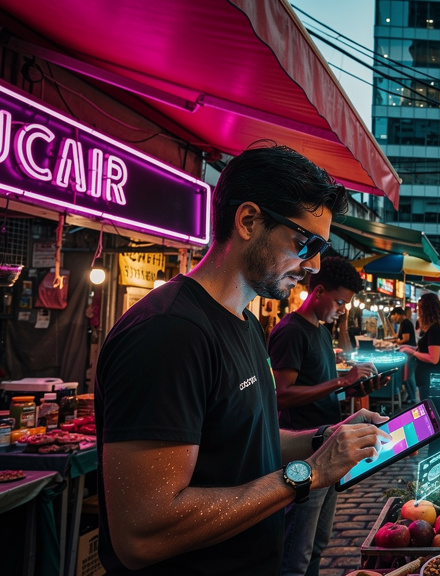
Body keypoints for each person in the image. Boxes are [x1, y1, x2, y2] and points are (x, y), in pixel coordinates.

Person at [95, 145, 391, 574]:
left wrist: (324, 437)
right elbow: (142, 534)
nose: (314, 265)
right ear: (249, 221)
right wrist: (307, 473)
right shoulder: (169, 331)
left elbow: (248, 438)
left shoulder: (245, 322)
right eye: (306, 243)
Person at [269, 256, 380, 576]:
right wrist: (341, 381)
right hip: (304, 451)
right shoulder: (292, 331)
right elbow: (281, 395)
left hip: (328, 443)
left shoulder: (319, 330)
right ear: (318, 292)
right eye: (340, 302)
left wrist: (352, 389)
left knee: (318, 543)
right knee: (297, 551)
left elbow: (318, 388)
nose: (342, 310)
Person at [399, 292, 440, 464]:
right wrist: (413, 348)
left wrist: (412, 352)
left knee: (439, 423)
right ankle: (436, 458)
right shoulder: (439, 329)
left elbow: (433, 358)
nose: (418, 311)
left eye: (420, 308)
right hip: (436, 381)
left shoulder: (435, 330)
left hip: (433, 382)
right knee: (435, 422)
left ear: (427, 309)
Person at [390, 306, 418, 404]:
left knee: (408, 375)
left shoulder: (406, 323)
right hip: (406, 352)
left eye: (395, 317)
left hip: (408, 352)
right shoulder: (404, 323)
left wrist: (397, 342)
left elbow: (406, 338)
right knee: (407, 375)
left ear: (398, 314)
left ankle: (413, 398)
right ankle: (411, 396)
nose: (395, 319)